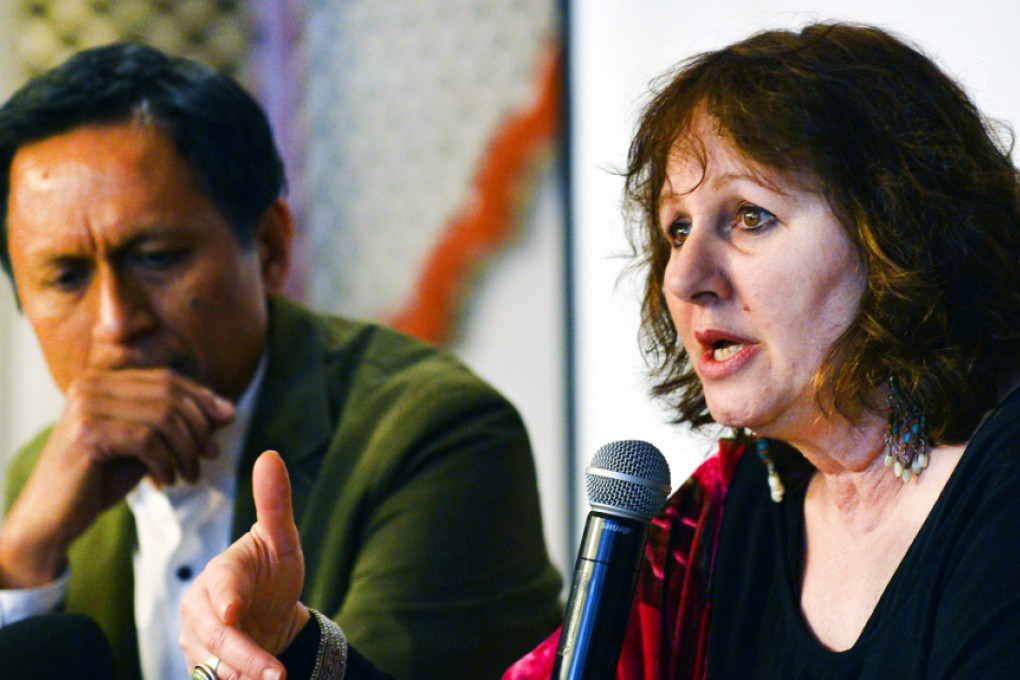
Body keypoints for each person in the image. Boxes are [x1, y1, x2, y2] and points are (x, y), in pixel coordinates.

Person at [183, 21, 1020, 680]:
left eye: (751, 217)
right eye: (677, 229)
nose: (688, 277)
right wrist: (292, 646)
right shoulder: (717, 520)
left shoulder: (1001, 482)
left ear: (898, 236)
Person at [0, 43, 562, 680]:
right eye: (67, 277)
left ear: (269, 247)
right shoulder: (43, 480)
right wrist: (22, 559)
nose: (115, 322)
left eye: (156, 257)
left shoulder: (437, 436)